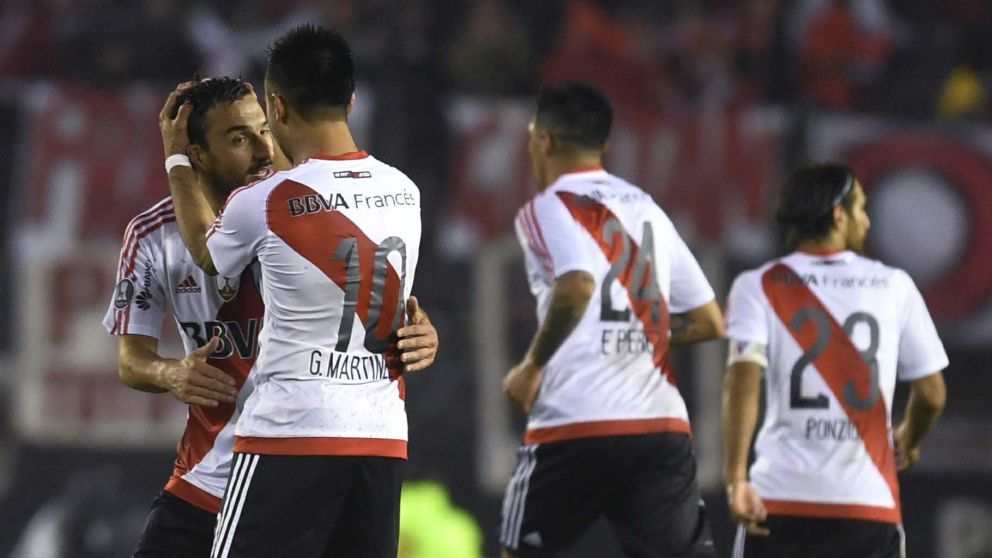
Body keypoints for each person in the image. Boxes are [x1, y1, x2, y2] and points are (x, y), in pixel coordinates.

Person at [107, 77, 438, 557]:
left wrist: (423, 332)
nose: (264, 150)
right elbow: (130, 359)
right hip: (209, 473)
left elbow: (383, 298)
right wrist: (171, 373)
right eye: (239, 138)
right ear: (196, 153)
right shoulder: (152, 236)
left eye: (265, 129)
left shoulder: (303, 212)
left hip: (295, 463)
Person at [500, 81, 723, 558]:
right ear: (604, 145)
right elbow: (708, 321)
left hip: (576, 423)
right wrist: (641, 336)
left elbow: (576, 286)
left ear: (543, 142)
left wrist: (532, 366)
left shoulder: (545, 208)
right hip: (659, 429)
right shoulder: (649, 210)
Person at [722, 163, 948, 557]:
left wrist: (736, 478)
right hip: (867, 505)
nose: (868, 220)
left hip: (779, 501)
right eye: (861, 208)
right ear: (838, 214)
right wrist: (909, 440)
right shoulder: (894, 286)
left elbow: (742, 383)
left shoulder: (757, 285)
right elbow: (931, 394)